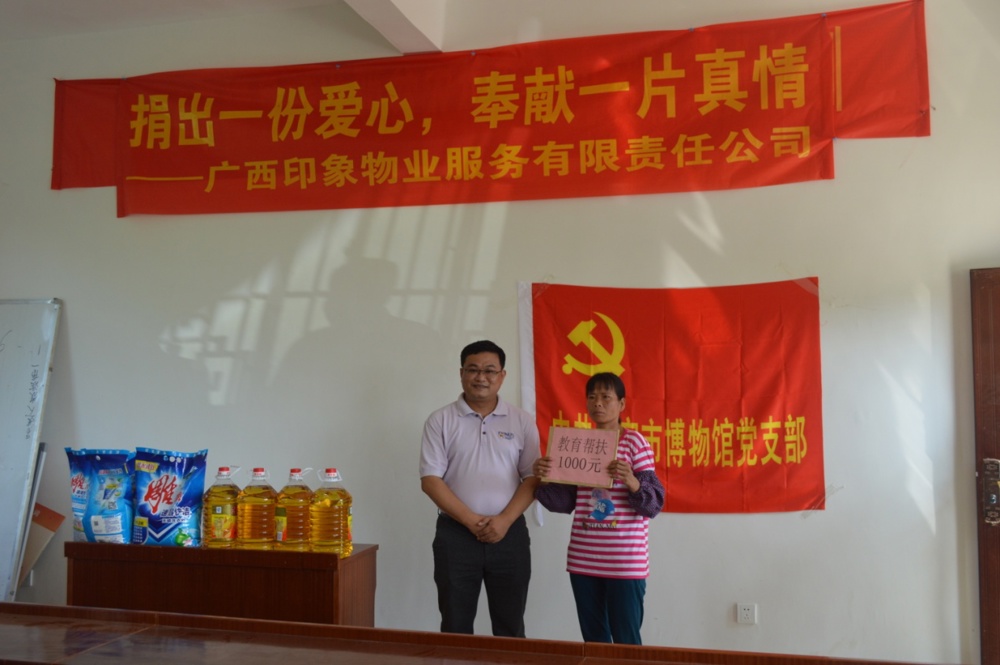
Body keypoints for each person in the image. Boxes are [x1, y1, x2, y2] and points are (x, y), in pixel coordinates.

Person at [419, 339, 541, 637]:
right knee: (455, 625)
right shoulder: (440, 420)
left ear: (502, 375)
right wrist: (471, 521)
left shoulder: (522, 421)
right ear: (461, 373)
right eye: (473, 369)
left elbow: (532, 477)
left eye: (489, 370)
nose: (481, 377)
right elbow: (431, 480)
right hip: (456, 535)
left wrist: (504, 521)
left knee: (511, 626)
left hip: (509, 533)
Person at [533, 372, 664, 645]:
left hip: (625, 562)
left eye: (606, 397)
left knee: (627, 641)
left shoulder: (635, 443)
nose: (598, 404)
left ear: (622, 404)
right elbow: (565, 503)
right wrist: (544, 478)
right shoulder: (579, 444)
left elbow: (653, 505)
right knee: (594, 640)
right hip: (584, 559)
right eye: (592, 397)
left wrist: (631, 481)